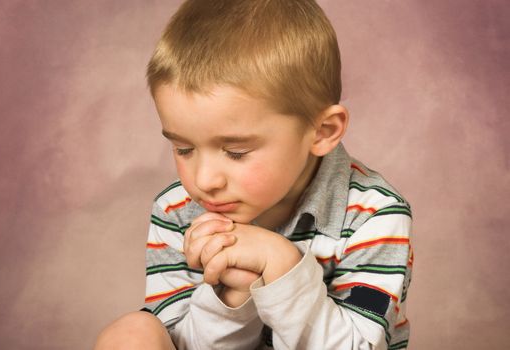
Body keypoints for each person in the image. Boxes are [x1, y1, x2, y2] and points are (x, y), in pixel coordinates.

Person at [94, 0, 413, 349]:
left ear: (322, 131)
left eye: (236, 152)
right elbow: (182, 344)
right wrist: (233, 298)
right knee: (131, 334)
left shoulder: (374, 217)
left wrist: (281, 265)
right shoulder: (177, 211)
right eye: (184, 149)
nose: (204, 180)